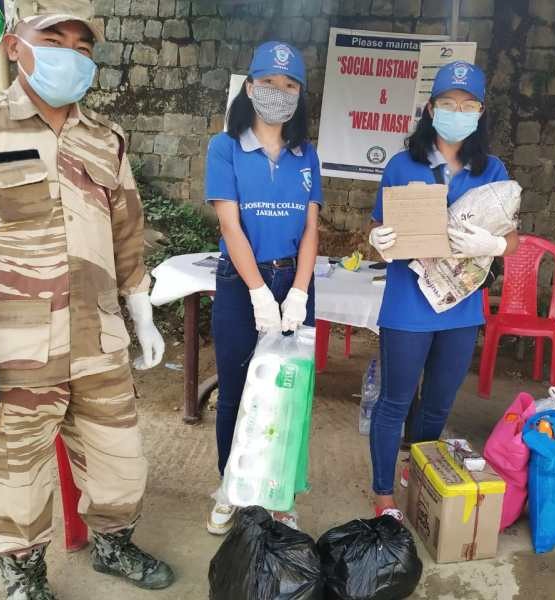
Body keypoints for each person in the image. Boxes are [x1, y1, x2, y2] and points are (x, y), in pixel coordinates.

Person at [0, 2, 174, 597]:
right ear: (17, 47)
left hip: (99, 338)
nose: (70, 54)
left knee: (123, 463)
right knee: (17, 475)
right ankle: (23, 572)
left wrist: (142, 311)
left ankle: (113, 544)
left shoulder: (105, 138)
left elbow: (127, 234)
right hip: (15, 342)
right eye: (55, 38)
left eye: (82, 46)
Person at [367, 61, 519, 521]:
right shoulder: (402, 165)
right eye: (449, 103)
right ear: (431, 109)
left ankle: (420, 470)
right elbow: (377, 228)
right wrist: (378, 241)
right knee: (395, 400)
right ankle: (383, 496)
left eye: (468, 104)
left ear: (480, 111)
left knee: (438, 401)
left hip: (462, 308)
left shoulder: (492, 169)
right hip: (407, 305)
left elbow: (513, 237)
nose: (458, 111)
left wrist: (493, 245)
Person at [204, 41, 321, 535]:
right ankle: (231, 488)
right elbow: (231, 226)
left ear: (299, 94)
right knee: (235, 389)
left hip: (293, 279)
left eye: (289, 85)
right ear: (250, 88)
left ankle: (278, 493)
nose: (278, 92)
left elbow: (313, 229)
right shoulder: (225, 147)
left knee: (289, 392)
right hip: (241, 283)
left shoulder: (306, 154)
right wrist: (257, 292)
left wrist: (298, 290)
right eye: (269, 84)